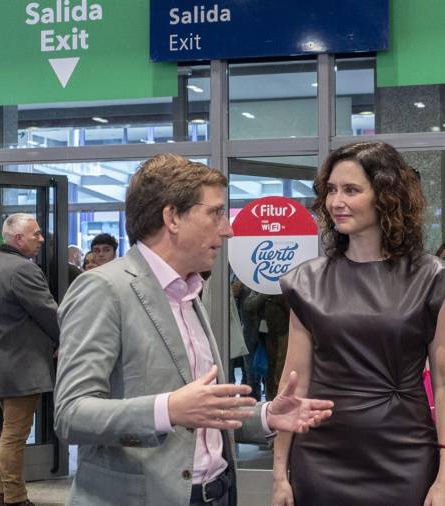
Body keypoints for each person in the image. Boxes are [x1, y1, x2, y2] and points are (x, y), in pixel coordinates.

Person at [54, 153, 333, 506]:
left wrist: (266, 416)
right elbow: (71, 414)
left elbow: (202, 411)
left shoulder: (189, 293)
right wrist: (167, 409)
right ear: (172, 217)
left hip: (217, 493)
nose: (228, 229)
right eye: (216, 212)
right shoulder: (104, 289)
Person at [272, 141, 445, 506]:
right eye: (331, 190)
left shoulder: (431, 277)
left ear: (386, 196)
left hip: (405, 454)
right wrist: (280, 472)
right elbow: (294, 382)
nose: (335, 202)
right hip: (321, 454)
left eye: (351, 190)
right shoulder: (305, 281)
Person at [0, 214, 61, 506]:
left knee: (8, 432)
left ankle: (4, 494)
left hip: (2, 363)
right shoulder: (22, 270)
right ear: (17, 239)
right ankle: (15, 498)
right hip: (22, 365)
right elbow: (49, 312)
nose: (41, 239)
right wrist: (66, 339)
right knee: (15, 435)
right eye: (36, 234)